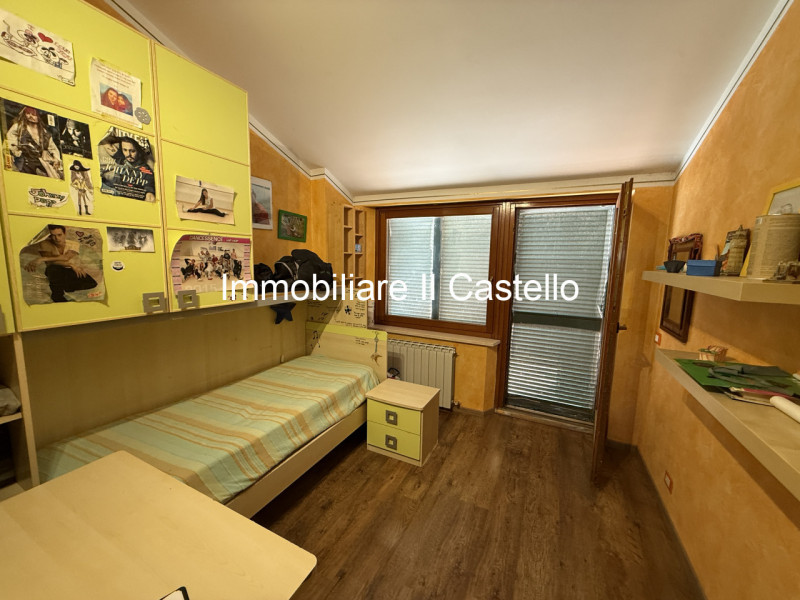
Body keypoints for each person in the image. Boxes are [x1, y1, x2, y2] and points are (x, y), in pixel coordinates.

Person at [24, 224, 98, 303]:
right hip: (55, 270)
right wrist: (71, 265)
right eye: (53, 235)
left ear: (64, 234)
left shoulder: (73, 244)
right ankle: (57, 296)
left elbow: (65, 258)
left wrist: (42, 258)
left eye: (59, 235)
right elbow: (50, 262)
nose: (57, 238)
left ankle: (65, 287)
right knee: (53, 268)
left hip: (70, 271)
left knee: (92, 283)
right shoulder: (45, 244)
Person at [5, 106, 62, 178]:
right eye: (28, 113)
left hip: (41, 161)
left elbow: (52, 147)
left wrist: (56, 159)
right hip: (24, 161)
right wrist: (16, 152)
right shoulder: (18, 127)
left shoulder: (44, 132)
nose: (30, 116)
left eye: (33, 114)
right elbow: (10, 141)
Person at [100, 135, 156, 202]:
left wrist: (149, 194)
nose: (128, 154)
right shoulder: (121, 157)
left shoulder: (146, 171)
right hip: (110, 194)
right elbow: (105, 140)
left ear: (139, 151)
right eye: (125, 150)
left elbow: (150, 194)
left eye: (132, 151)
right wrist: (122, 138)